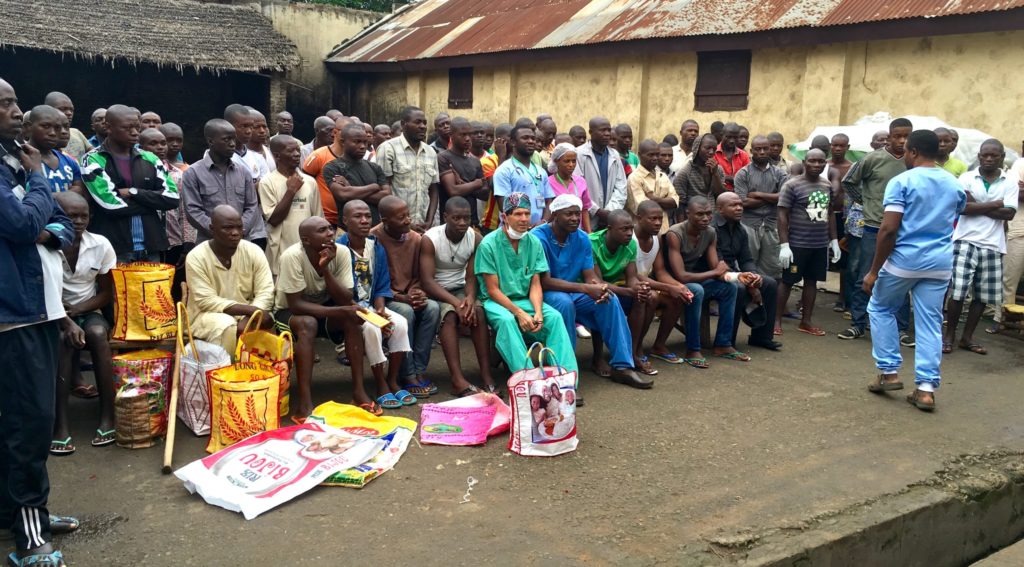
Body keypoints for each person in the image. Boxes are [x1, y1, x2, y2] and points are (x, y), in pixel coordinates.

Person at [1, 78, 78, 567]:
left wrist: (40, 220)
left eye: (13, 101)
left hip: (32, 306)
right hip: (15, 313)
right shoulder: (21, 167)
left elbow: (62, 226)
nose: (16, 110)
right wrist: (36, 182)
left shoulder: (11, 159)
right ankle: (29, 531)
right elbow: (25, 225)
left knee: (23, 417)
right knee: (29, 423)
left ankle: (18, 512)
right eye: (5, 104)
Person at [863, 130, 966, 412]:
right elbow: (954, 217)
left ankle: (889, 372)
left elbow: (888, 229)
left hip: (904, 261)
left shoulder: (902, 182)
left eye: (907, 150)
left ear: (914, 152)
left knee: (881, 308)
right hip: (940, 263)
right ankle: (925, 390)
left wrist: (874, 271)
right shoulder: (953, 183)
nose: (905, 154)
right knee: (930, 323)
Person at [534, 196, 650, 388]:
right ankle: (564, 375)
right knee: (564, 303)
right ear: (554, 215)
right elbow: (544, 281)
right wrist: (586, 288)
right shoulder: (540, 237)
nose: (574, 218)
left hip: (574, 291)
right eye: (568, 214)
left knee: (609, 300)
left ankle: (622, 366)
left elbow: (590, 277)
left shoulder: (581, 238)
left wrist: (599, 288)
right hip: (546, 293)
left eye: (577, 214)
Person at [475, 193, 578, 378]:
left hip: (525, 299)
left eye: (527, 214)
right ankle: (529, 379)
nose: (524, 219)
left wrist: (537, 311)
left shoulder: (533, 242)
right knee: (507, 321)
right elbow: (492, 290)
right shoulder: (488, 244)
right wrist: (520, 313)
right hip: (496, 302)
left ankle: (565, 379)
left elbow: (535, 284)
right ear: (504, 217)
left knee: (553, 317)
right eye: (518, 214)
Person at [332, 202, 417, 414]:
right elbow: (339, 294)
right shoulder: (339, 248)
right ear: (345, 221)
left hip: (371, 306)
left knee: (400, 323)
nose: (364, 221)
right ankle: (380, 383)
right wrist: (371, 317)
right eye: (357, 217)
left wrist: (380, 310)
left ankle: (392, 380)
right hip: (351, 310)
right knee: (371, 328)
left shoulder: (375, 246)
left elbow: (381, 284)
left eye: (367, 216)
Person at [50, 192, 116, 455]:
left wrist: (77, 310)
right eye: (71, 216)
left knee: (98, 333)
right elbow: (44, 295)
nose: (78, 221)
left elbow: (106, 293)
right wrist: (66, 320)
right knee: (63, 340)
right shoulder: (47, 246)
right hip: (54, 313)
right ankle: (60, 425)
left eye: (83, 215)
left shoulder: (100, 244)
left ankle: (108, 417)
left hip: (87, 308)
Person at [841, 118, 914, 344]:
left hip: (904, 228)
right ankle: (858, 324)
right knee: (866, 274)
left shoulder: (915, 161)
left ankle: (901, 329)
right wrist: (867, 202)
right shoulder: (873, 159)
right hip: (874, 226)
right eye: (897, 136)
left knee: (901, 277)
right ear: (889, 136)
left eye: (906, 136)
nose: (902, 141)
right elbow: (849, 181)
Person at [943, 139, 1017, 355]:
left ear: (1002, 157)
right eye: (985, 155)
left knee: (983, 296)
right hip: (965, 240)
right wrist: (996, 204)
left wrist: (977, 205)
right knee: (957, 292)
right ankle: (949, 336)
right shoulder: (966, 177)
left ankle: (967, 338)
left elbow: (1010, 213)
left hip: (994, 244)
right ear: (979, 156)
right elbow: (963, 208)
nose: (989, 159)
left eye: (994, 155)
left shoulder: (1009, 181)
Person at [80, 104, 180, 263]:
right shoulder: (92, 159)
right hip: (114, 248)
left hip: (152, 245)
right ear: (108, 127)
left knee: (155, 289)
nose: (135, 133)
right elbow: (110, 204)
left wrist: (134, 192)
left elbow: (172, 198)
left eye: (137, 127)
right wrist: (153, 202)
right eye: (127, 128)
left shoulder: (150, 158)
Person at [420, 197, 496, 396]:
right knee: (450, 316)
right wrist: (456, 303)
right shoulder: (430, 239)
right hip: (437, 290)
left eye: (466, 218)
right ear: (445, 217)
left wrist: (469, 299)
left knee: (478, 312)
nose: (462, 223)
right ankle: (457, 379)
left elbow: (472, 275)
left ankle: (487, 376)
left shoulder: (475, 237)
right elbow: (427, 281)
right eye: (456, 218)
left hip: (462, 288)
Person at [371, 196, 440, 398]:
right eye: (401, 217)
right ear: (385, 220)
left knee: (433, 308)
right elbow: (373, 281)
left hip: (410, 294)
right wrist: (400, 297)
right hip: (386, 297)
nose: (408, 220)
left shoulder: (415, 238)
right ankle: (407, 374)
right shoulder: (373, 239)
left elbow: (422, 274)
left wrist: (418, 292)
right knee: (406, 313)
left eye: (408, 215)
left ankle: (418, 369)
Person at [664, 197, 744, 368]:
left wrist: (739, 276)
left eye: (708, 214)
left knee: (730, 287)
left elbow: (717, 268)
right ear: (688, 214)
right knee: (696, 291)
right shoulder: (675, 233)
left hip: (695, 278)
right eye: (700, 214)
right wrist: (716, 271)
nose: (706, 218)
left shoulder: (710, 233)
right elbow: (681, 276)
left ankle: (723, 344)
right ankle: (692, 349)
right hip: (673, 284)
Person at [185, 205, 275, 354]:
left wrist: (251, 316)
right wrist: (252, 311)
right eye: (227, 228)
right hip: (206, 315)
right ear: (212, 229)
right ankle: (226, 373)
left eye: (239, 227)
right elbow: (206, 301)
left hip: (249, 312)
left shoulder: (253, 251)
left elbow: (266, 291)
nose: (235, 233)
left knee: (265, 320)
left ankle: (258, 374)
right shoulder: (196, 256)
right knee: (227, 325)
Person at [588, 210, 661, 378]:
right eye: (624, 229)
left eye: (631, 229)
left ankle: (632, 353)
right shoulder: (592, 243)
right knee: (603, 300)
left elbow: (631, 277)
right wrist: (629, 290)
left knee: (642, 298)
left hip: (617, 288)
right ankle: (597, 357)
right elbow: (598, 283)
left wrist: (638, 288)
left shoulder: (630, 244)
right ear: (609, 229)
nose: (629, 233)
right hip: (591, 290)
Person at [776, 149, 839, 337]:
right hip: (797, 243)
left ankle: (806, 321)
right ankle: (775, 321)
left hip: (819, 244)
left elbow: (830, 213)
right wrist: (784, 245)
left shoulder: (826, 185)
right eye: (813, 161)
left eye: (821, 162)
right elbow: (782, 214)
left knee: (812, 282)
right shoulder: (792, 185)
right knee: (787, 281)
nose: (817, 165)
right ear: (804, 162)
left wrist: (834, 240)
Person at [181, 119, 267, 247]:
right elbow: (193, 211)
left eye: (233, 139)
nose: (232, 144)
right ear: (211, 141)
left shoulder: (244, 172)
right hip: (209, 244)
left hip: (242, 243)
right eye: (227, 140)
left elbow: (252, 206)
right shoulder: (193, 173)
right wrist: (219, 232)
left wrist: (239, 231)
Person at [715, 192, 781, 350]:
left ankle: (761, 337)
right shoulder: (712, 229)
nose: (739, 208)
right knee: (739, 288)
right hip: (715, 274)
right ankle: (727, 341)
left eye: (740, 204)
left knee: (770, 283)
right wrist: (748, 283)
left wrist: (754, 277)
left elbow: (746, 260)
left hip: (735, 273)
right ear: (720, 209)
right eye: (733, 205)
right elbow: (718, 264)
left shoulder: (740, 229)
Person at [632, 201, 693, 364]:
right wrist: (668, 287)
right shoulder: (629, 238)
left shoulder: (657, 238)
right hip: (627, 282)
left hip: (647, 283)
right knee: (651, 297)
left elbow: (660, 271)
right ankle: (636, 347)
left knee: (677, 297)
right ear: (639, 218)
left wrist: (678, 286)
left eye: (660, 218)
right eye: (653, 219)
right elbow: (634, 276)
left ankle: (659, 346)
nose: (658, 222)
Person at [259, 135, 323, 277]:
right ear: (277, 156)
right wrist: (291, 191)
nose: (296, 154)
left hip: (308, 251)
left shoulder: (310, 181)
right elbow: (273, 219)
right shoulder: (267, 182)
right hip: (282, 252)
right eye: (290, 151)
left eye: (297, 150)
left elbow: (318, 218)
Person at [377, 106, 439, 232]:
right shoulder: (388, 149)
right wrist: (406, 223)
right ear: (403, 124)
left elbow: (433, 190)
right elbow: (384, 191)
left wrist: (429, 221)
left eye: (425, 123)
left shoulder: (430, 152)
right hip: (397, 227)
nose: (423, 126)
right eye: (417, 122)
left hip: (426, 225)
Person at [734, 135, 787, 279]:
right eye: (758, 149)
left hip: (772, 224)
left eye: (765, 148)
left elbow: (784, 197)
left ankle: (766, 299)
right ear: (751, 151)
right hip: (748, 225)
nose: (762, 152)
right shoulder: (743, 174)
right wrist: (772, 197)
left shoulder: (780, 173)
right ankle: (749, 298)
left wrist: (757, 194)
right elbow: (742, 202)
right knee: (747, 265)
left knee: (771, 267)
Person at [323, 122, 390, 226]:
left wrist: (351, 188)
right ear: (342, 142)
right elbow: (343, 194)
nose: (363, 146)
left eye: (365, 142)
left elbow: (386, 196)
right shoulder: (332, 167)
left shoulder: (374, 167)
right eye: (357, 142)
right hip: (348, 230)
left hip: (374, 229)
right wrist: (374, 187)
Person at [493, 124, 554, 227]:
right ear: (513, 142)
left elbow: (548, 201)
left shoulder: (541, 171)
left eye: (533, 138)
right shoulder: (504, 170)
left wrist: (543, 222)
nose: (530, 141)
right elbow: (504, 206)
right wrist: (526, 225)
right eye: (525, 138)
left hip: (538, 230)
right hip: (513, 231)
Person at [575, 117, 627, 230]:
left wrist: (610, 212)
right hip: (587, 218)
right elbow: (577, 187)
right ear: (591, 132)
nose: (607, 134)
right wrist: (597, 211)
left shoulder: (615, 155)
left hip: (609, 220)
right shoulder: (579, 154)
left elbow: (621, 187)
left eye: (609, 130)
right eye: (603, 130)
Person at [991, 159, 1024, 332]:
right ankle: (1001, 318)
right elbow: (1015, 194)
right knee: (1009, 277)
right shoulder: (1020, 164)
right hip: (1019, 230)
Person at [157, 123, 195, 272]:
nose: (174, 144)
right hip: (150, 242)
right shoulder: (139, 171)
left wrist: (188, 243)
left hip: (175, 240)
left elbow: (185, 211)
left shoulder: (180, 174)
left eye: (178, 140)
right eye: (168, 140)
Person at [437, 117, 486, 226]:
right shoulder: (444, 158)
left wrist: (465, 185)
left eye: (469, 134)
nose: (468, 138)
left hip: (472, 221)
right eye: (463, 135)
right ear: (452, 135)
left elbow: (485, 194)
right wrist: (476, 183)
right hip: (450, 222)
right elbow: (453, 191)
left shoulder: (475, 161)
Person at [303, 116, 349, 227]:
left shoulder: (356, 159)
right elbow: (305, 185)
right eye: (346, 131)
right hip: (324, 219)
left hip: (348, 218)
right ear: (335, 132)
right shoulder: (319, 156)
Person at [27, 106, 84, 195]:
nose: (53, 133)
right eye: (46, 126)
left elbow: (80, 189)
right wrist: (64, 198)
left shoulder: (69, 161)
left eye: (57, 128)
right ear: (29, 127)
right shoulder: (18, 159)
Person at [626, 139, 677, 234]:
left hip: (664, 231)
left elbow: (675, 202)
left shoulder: (662, 176)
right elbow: (643, 209)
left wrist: (653, 198)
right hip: (643, 234)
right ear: (640, 155)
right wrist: (664, 201)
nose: (655, 158)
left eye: (657, 154)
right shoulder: (634, 178)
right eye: (651, 155)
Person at [547, 143, 593, 232]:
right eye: (567, 161)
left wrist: (589, 233)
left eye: (574, 161)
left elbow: (584, 209)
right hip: (556, 232)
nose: (571, 164)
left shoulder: (581, 181)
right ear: (557, 161)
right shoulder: (548, 183)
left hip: (576, 231)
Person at [673, 133, 725, 205]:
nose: (711, 152)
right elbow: (680, 201)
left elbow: (721, 195)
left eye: (714, 149)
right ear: (697, 148)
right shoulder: (685, 172)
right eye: (707, 148)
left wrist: (715, 174)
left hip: (714, 213)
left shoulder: (718, 169)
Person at [224, 104, 269, 184]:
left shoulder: (258, 158)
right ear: (228, 125)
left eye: (251, 126)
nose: (248, 131)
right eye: (243, 126)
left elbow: (266, 187)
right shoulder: (218, 158)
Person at [479, 123, 512, 232]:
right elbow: (495, 186)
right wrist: (501, 157)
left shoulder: (518, 163)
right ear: (500, 140)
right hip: (492, 223)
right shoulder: (488, 161)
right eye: (511, 137)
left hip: (514, 220)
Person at [43, 91, 91, 161]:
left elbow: (94, 154)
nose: (69, 113)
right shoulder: (43, 137)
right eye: (63, 109)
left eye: (71, 110)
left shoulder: (76, 132)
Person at [714, 123, 751, 191]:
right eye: (728, 137)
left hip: (740, 192)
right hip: (718, 192)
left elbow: (748, 177)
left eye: (735, 137)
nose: (732, 141)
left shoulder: (743, 155)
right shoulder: (713, 153)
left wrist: (725, 178)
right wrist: (733, 179)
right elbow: (711, 177)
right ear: (722, 135)